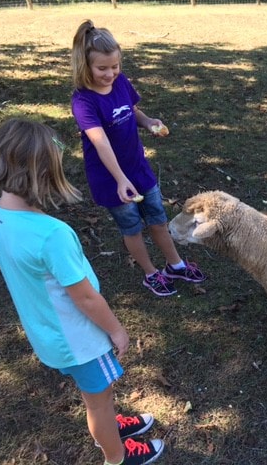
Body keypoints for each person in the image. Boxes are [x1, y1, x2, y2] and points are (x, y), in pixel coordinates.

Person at [0, 118, 165, 465]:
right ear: (45, 174)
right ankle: (116, 456)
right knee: (98, 398)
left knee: (98, 395)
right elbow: (84, 297)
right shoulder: (52, 234)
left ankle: (111, 426)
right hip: (79, 339)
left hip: (47, 333)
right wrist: (116, 329)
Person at [70, 18, 206, 297]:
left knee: (157, 218)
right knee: (131, 226)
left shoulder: (120, 82)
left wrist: (149, 122)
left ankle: (175, 265)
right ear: (85, 65)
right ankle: (150, 273)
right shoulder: (83, 101)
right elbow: (100, 142)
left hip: (138, 168)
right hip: (111, 179)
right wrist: (120, 180)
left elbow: (133, 111)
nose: (110, 74)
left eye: (115, 66)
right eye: (102, 68)